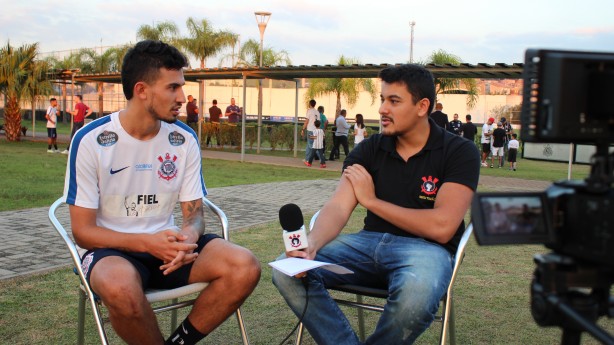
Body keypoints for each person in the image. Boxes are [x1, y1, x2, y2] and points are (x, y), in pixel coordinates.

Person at [62, 40, 261, 345]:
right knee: (120, 288)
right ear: (142, 90)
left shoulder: (184, 139)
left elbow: (194, 215)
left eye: (181, 86)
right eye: (172, 88)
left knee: (244, 266)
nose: (182, 97)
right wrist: (146, 243)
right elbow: (83, 232)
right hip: (113, 253)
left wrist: (188, 239)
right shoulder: (91, 140)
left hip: (170, 250)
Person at [272, 64, 480, 344]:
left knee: (415, 295)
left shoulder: (459, 151)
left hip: (427, 251)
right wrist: (313, 244)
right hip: (367, 246)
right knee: (287, 269)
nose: (382, 109)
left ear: (422, 106)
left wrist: (371, 200)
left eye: (394, 101)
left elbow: (442, 227)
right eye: (382, 99)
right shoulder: (369, 149)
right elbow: (338, 207)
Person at [301, 99, 320, 164]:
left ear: (310, 104)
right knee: (309, 145)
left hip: (310, 130)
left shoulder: (309, 111)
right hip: (315, 130)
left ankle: (321, 158)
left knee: (311, 145)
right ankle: (307, 159)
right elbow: (318, 122)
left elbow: (306, 121)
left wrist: (303, 129)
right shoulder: (317, 112)